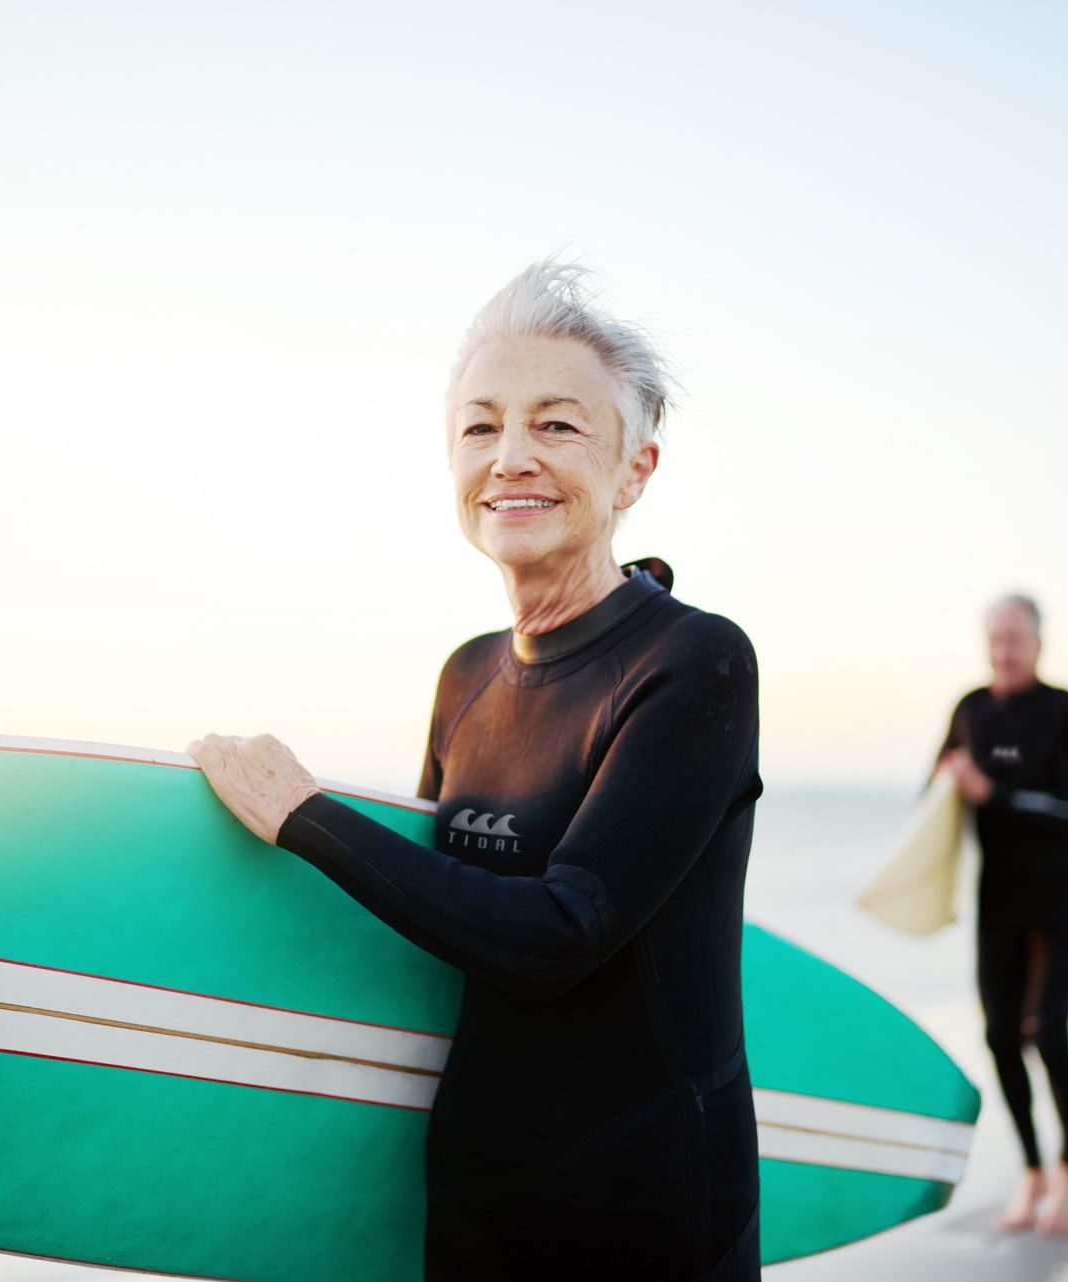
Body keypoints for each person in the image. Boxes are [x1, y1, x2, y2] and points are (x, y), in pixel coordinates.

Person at [186, 260, 763, 1281]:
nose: (510, 457)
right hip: (477, 1198)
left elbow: (560, 932)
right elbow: (437, 927)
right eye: (480, 425)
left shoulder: (696, 661)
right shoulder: (468, 676)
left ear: (636, 470)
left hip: (648, 1212)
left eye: (557, 425)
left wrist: (305, 815)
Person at [933, 593, 1068, 1237]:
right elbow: (937, 800)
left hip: (1063, 895)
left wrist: (993, 791)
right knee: (1001, 1035)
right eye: (994, 639)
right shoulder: (971, 710)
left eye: (1015, 639)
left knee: (1047, 1032)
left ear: (1038, 643)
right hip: (998, 899)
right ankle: (1031, 1170)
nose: (1003, 651)